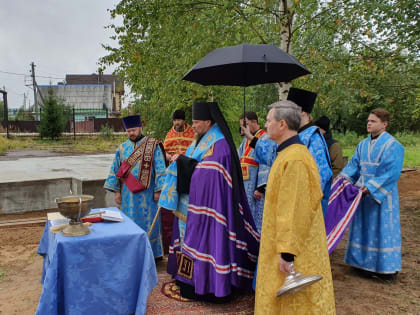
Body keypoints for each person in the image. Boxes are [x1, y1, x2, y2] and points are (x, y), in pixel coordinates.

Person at [158, 102, 260, 301]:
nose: (193, 126)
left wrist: (182, 162)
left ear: (208, 121)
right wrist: (181, 161)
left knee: (206, 244)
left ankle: (209, 286)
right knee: (187, 242)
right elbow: (193, 163)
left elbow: (211, 174)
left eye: (196, 122)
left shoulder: (220, 144)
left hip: (210, 209)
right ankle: (188, 279)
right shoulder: (199, 139)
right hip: (191, 204)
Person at [254, 100, 335, 315]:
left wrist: (288, 254)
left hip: (294, 251)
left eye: (268, 120)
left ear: (282, 124)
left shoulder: (296, 159)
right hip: (282, 243)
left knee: (296, 304)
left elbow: (295, 209)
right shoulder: (287, 154)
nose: (266, 124)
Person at [242, 88, 333, 218]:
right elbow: (274, 155)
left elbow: (319, 179)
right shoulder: (293, 134)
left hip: (301, 212)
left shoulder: (313, 139)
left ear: (302, 113)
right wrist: (251, 137)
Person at [339, 108, 404, 279]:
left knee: (381, 230)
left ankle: (385, 270)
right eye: (368, 120)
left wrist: (371, 187)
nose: (369, 123)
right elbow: (353, 166)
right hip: (362, 194)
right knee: (363, 228)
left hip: (381, 196)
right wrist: (343, 181)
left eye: (373, 121)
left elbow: (392, 172)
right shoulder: (362, 145)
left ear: (384, 124)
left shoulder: (393, 146)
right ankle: (360, 264)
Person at [104, 114, 167, 258]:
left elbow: (160, 169)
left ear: (140, 128)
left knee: (149, 223)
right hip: (128, 195)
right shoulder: (122, 148)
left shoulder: (153, 145)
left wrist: (159, 190)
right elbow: (116, 171)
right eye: (128, 131)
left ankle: (153, 255)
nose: (131, 133)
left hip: (148, 195)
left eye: (133, 130)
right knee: (130, 223)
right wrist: (116, 192)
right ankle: (132, 253)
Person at [161, 109, 195, 254]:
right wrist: (169, 157)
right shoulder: (169, 135)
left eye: (179, 120)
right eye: (175, 120)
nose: (177, 123)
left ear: (184, 120)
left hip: (188, 173)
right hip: (174, 175)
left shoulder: (192, 133)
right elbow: (164, 152)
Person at [238, 111, 269, 232]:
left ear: (254, 122)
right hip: (245, 186)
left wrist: (261, 188)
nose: (243, 128)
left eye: (245, 124)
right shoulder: (246, 140)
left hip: (256, 187)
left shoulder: (264, 137)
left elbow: (265, 163)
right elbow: (238, 158)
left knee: (257, 216)